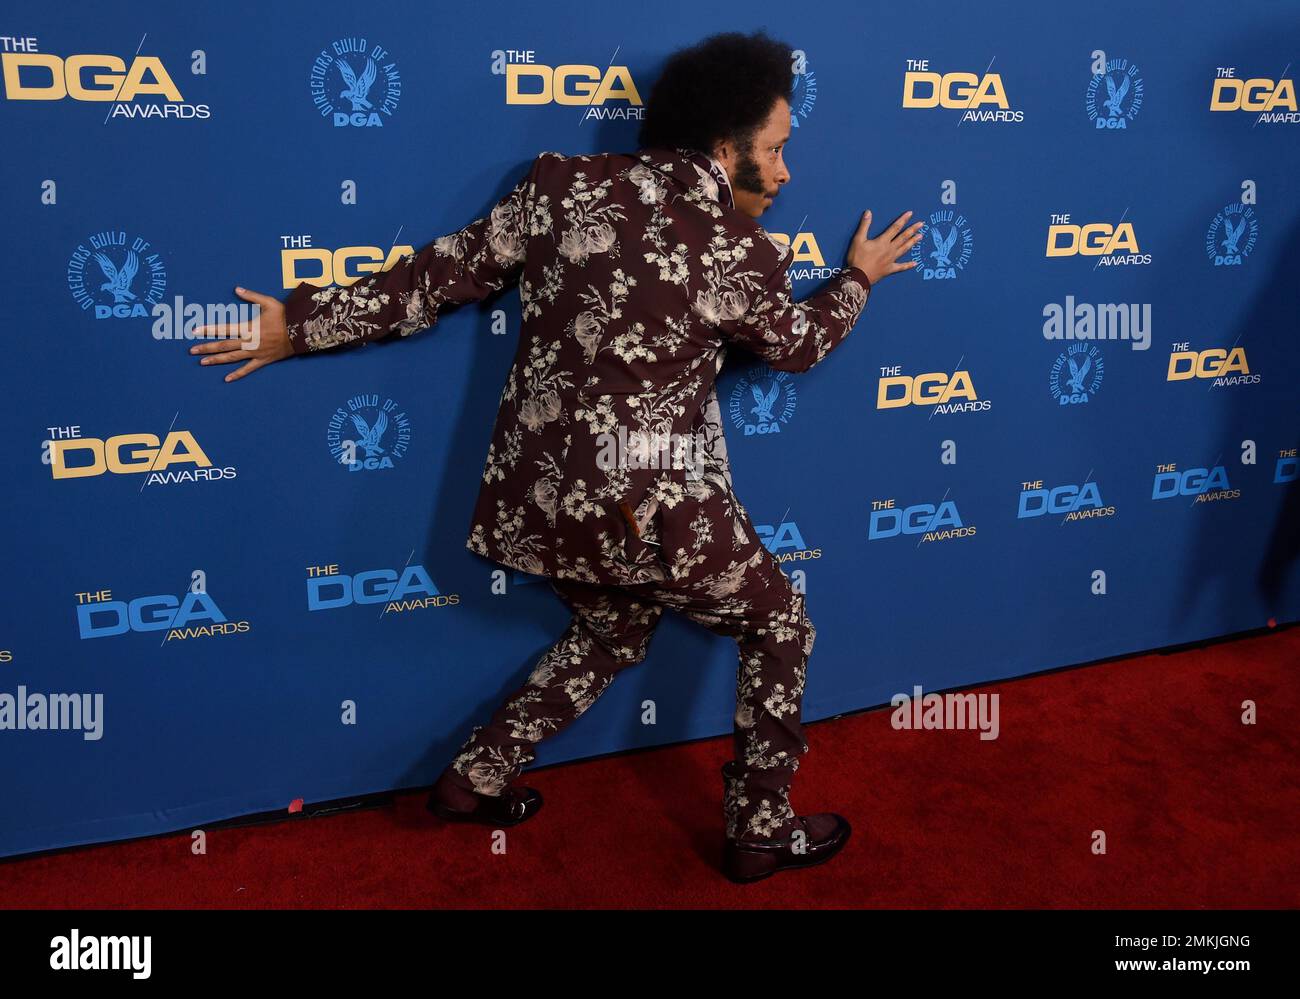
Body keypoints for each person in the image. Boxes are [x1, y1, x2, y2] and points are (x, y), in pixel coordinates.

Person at [189, 30, 922, 883]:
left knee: (616, 626)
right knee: (782, 621)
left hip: (535, 512)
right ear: (726, 150)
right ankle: (759, 827)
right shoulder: (740, 252)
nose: (788, 171)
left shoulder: (559, 187)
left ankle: (476, 776)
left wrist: (300, 324)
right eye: (778, 148)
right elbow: (796, 343)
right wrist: (858, 278)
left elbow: (436, 278)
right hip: (653, 523)